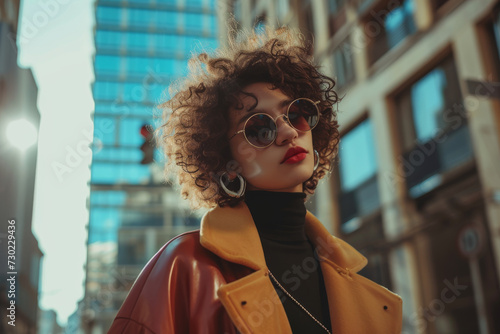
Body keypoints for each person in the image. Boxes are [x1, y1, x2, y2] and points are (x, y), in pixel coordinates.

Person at [107, 26, 402, 334]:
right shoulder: (183, 266)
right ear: (227, 163)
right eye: (260, 128)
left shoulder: (355, 279)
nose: (289, 133)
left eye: (297, 113)